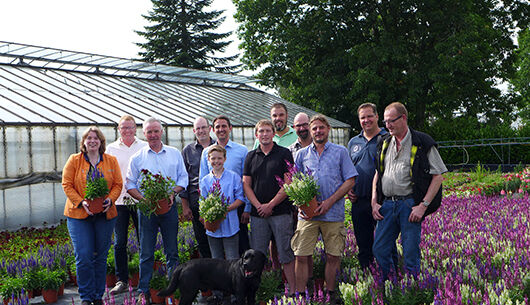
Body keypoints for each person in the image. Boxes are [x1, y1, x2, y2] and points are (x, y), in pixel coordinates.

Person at [371, 102, 447, 280]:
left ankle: (413, 290)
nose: (387, 125)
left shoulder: (422, 142)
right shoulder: (384, 142)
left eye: (391, 121)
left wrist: (423, 205)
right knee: (380, 248)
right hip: (387, 205)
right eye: (385, 122)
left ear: (403, 118)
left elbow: (438, 176)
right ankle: (391, 285)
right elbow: (378, 173)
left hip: (409, 205)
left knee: (410, 250)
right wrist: (374, 201)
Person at [291, 115, 357, 304]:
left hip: (333, 212)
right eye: (314, 129)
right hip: (307, 215)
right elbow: (295, 182)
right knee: (301, 255)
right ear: (310, 132)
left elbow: (350, 179)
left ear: (328, 129)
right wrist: (299, 204)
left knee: (332, 255)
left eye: (321, 128)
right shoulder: (302, 154)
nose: (318, 131)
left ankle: (331, 293)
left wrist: (329, 201)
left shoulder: (340, 152)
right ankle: (301, 295)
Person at [125, 117, 188, 305]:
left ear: (162, 132)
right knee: (146, 252)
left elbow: (183, 179)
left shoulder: (174, 153)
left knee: (172, 251)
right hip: (146, 211)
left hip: (168, 208)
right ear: (144, 134)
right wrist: (143, 200)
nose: (153, 135)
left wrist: (172, 193)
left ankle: (173, 287)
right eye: (149, 132)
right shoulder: (137, 157)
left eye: (156, 131)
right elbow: (129, 184)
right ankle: (143, 291)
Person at [62, 126, 123, 305]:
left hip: (104, 215)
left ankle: (98, 296)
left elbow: (118, 185)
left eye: (96, 138)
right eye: (89, 138)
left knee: (101, 256)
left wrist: (110, 200)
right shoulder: (75, 160)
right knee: (84, 255)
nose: (92, 141)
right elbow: (66, 184)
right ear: (84, 142)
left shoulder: (110, 161)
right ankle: (86, 296)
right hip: (78, 215)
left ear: (101, 142)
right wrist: (81, 202)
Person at [243, 120, 296, 295]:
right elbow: (246, 184)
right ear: (256, 135)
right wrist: (259, 206)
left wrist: (271, 204)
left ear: (273, 133)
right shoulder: (251, 156)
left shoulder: (284, 153)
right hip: (258, 215)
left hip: (280, 212)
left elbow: (288, 183)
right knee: (257, 257)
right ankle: (260, 293)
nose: (264, 134)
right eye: (261, 131)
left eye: (268, 131)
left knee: (286, 253)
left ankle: (294, 292)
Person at [106, 115, 147, 294]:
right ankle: (122, 280)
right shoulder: (111, 148)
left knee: (143, 240)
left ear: (135, 128)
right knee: (119, 242)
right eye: (124, 127)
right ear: (118, 129)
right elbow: (106, 173)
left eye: (130, 127)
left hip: (140, 200)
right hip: (119, 201)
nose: (127, 130)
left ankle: (145, 278)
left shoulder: (144, 146)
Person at [200, 115, 250, 255]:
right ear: (213, 130)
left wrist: (247, 208)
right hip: (213, 216)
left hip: (234, 211)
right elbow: (202, 184)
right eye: (218, 127)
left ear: (230, 128)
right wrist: (205, 212)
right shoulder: (206, 153)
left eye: (224, 126)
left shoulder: (242, 150)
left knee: (237, 251)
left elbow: (246, 181)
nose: (221, 129)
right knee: (216, 257)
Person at [346, 103, 387, 269]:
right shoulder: (353, 142)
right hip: (359, 200)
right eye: (362, 117)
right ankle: (367, 275)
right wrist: (348, 188)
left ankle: (389, 277)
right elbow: (347, 170)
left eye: (370, 116)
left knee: (385, 243)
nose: (366, 120)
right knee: (363, 243)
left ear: (377, 117)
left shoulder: (386, 138)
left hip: (382, 200)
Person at [200, 145, 245, 259]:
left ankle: (231, 278)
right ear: (208, 160)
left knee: (232, 259)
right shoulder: (205, 180)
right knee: (216, 260)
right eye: (213, 158)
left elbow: (240, 198)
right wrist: (206, 215)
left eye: (219, 158)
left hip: (230, 224)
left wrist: (226, 209)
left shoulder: (234, 177)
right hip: (213, 227)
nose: (216, 161)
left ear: (225, 159)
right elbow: (202, 201)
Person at [180, 117, 215, 259]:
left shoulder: (218, 146)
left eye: (203, 127)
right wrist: (185, 206)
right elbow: (183, 179)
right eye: (198, 129)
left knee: (218, 240)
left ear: (209, 129)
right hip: (196, 202)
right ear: (194, 131)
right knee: (202, 241)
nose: (201, 131)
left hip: (218, 202)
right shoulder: (188, 151)